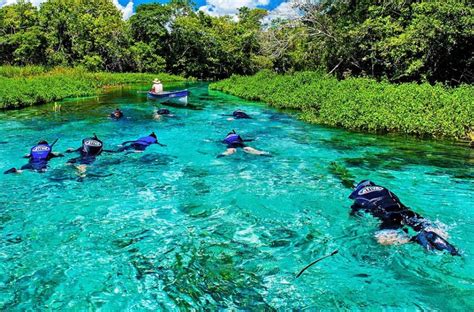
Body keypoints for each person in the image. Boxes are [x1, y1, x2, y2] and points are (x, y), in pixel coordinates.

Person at [349, 180, 459, 255]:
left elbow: (355, 215)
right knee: (426, 225)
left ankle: (414, 240)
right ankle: (432, 234)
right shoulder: (383, 189)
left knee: (381, 240)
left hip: (388, 216)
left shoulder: (357, 196)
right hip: (407, 212)